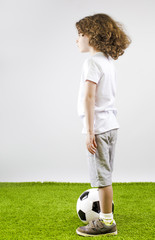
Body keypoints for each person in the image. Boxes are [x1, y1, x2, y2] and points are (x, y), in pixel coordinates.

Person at [75, 13, 131, 236]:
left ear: (93, 36)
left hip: (98, 128)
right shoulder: (107, 62)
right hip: (111, 125)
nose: (77, 39)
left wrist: (89, 131)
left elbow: (90, 98)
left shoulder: (91, 62)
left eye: (80, 34)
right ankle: (106, 218)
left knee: (102, 179)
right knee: (105, 176)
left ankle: (107, 222)